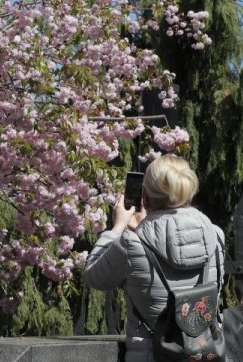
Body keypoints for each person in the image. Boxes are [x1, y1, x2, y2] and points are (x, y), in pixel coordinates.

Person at [83, 155, 225, 362]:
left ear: (146, 197)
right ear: (189, 194)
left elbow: (93, 276)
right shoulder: (216, 236)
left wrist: (117, 228)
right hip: (204, 353)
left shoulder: (131, 243)